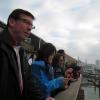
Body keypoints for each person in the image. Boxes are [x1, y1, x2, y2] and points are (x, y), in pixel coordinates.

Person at [0, 8, 44, 100]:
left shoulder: (21, 51)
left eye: (31, 25)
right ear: (12, 22)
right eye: (25, 22)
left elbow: (29, 80)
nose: (29, 28)